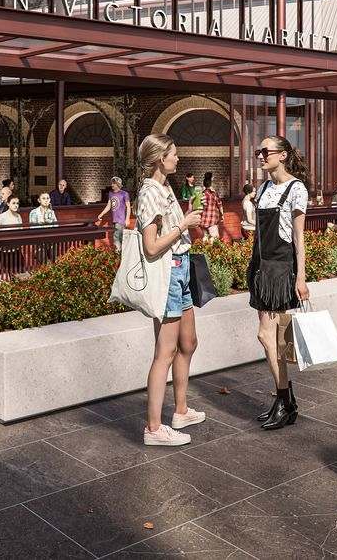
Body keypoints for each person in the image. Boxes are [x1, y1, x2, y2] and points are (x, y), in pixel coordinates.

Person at [135, 133, 206, 446]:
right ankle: (153, 428)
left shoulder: (166, 187)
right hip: (167, 274)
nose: (178, 158)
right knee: (164, 352)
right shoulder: (149, 192)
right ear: (159, 158)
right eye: (173, 154)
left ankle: (180, 410)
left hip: (182, 269)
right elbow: (151, 247)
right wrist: (183, 225)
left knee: (188, 342)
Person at [248, 136, 310, 431]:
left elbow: (299, 237)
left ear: (282, 155)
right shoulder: (263, 188)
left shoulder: (296, 189)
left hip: (281, 268)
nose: (260, 156)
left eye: (265, 151)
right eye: (258, 151)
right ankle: (285, 401)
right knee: (274, 340)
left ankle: (285, 400)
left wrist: (302, 277)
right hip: (260, 265)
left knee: (267, 336)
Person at [96, 176, 131, 248]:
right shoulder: (111, 194)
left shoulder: (124, 194)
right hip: (114, 220)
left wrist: (127, 219)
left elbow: (128, 207)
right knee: (119, 238)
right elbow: (109, 206)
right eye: (112, 183)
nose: (112, 185)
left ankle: (118, 254)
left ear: (118, 184)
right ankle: (120, 254)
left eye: (114, 183)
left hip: (121, 219)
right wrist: (101, 214)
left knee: (117, 237)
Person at [197, 171, 223, 240]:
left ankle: (204, 249)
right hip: (212, 220)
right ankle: (211, 249)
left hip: (203, 220)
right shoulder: (213, 194)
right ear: (212, 180)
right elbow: (220, 205)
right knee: (214, 237)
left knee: (205, 237)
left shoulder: (201, 193)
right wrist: (222, 214)